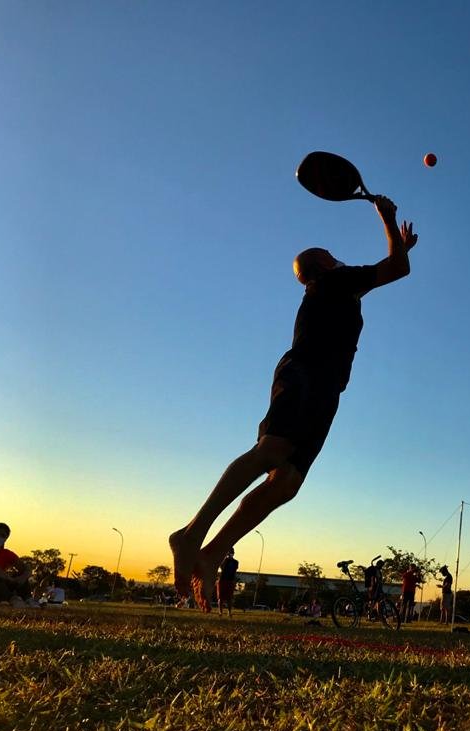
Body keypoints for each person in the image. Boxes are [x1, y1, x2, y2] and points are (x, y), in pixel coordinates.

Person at [168, 196, 417, 609]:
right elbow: (397, 269)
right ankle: (191, 535)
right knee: (273, 451)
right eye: (333, 256)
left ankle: (212, 553)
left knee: (285, 483)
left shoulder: (338, 291)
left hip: (324, 388)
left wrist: (399, 247)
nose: (340, 258)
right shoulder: (333, 282)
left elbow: (395, 264)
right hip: (305, 374)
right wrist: (388, 220)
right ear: (323, 265)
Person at [0, 522, 34, 607]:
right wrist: (8, 578)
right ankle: (11, 599)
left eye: (2, 535)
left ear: (6, 538)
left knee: (19, 574)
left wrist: (22, 578)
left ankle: (28, 599)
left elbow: (26, 568)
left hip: (3, 583)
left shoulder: (7, 554)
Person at [216, 548, 239, 616]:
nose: (230, 554)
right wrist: (225, 558)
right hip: (222, 580)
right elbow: (222, 567)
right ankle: (221, 612)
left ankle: (229, 612)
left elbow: (234, 569)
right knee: (220, 597)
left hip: (230, 580)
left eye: (231, 553)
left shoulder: (235, 562)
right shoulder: (224, 560)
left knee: (229, 598)